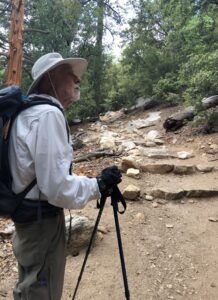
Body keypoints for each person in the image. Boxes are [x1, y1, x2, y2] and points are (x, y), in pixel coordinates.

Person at [9, 52, 122, 300]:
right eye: (68, 72)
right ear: (49, 78)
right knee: (41, 292)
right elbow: (56, 188)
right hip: (42, 223)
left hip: (29, 220)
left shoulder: (28, 113)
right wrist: (98, 185)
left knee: (30, 286)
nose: (76, 78)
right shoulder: (48, 115)